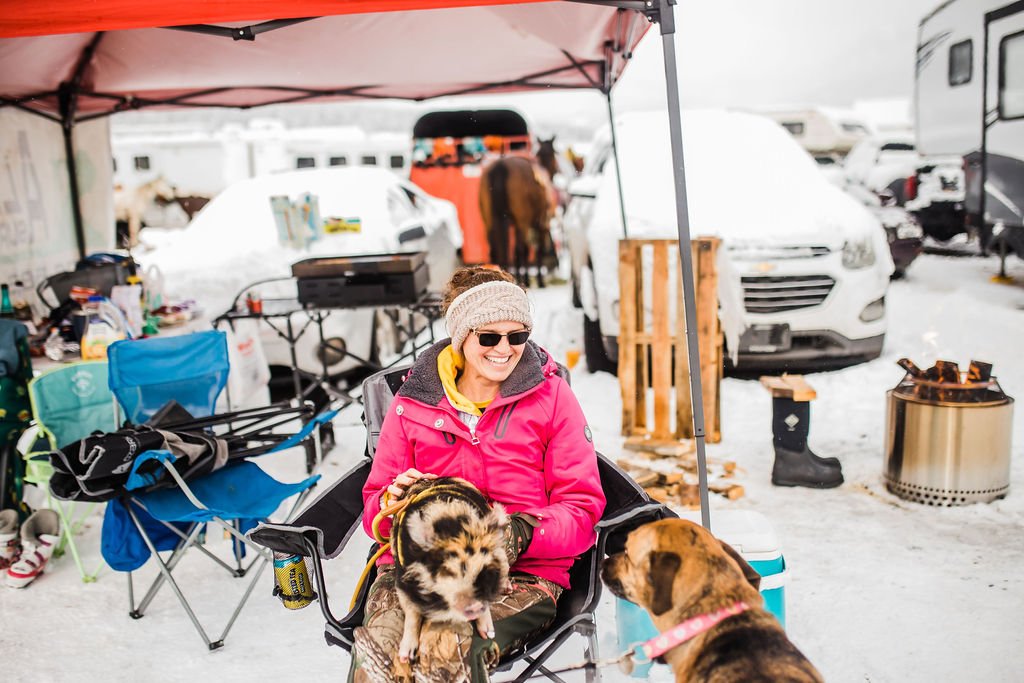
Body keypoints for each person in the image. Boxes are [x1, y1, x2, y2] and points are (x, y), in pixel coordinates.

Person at [349, 266, 605, 683]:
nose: (504, 349)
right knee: (380, 650)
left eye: (517, 336)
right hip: (415, 570)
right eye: (488, 337)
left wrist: (520, 531)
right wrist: (392, 505)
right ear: (461, 335)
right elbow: (374, 512)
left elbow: (583, 508)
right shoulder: (412, 403)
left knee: (446, 644)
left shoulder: (552, 398)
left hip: (523, 575)